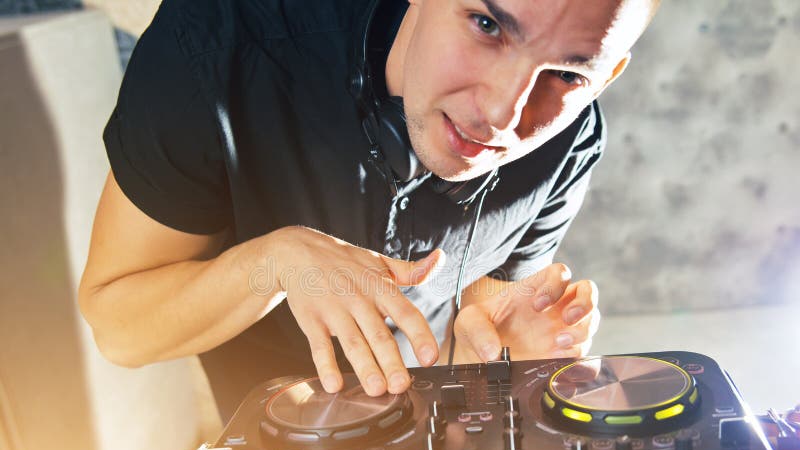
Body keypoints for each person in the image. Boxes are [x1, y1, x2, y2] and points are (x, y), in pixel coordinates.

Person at [78, 0, 659, 420]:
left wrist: (514, 360)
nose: (504, 115)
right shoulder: (212, 43)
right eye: (487, 26)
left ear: (606, 76)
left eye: (566, 74)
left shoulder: (571, 138)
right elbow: (119, 328)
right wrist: (276, 265)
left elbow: (484, 329)